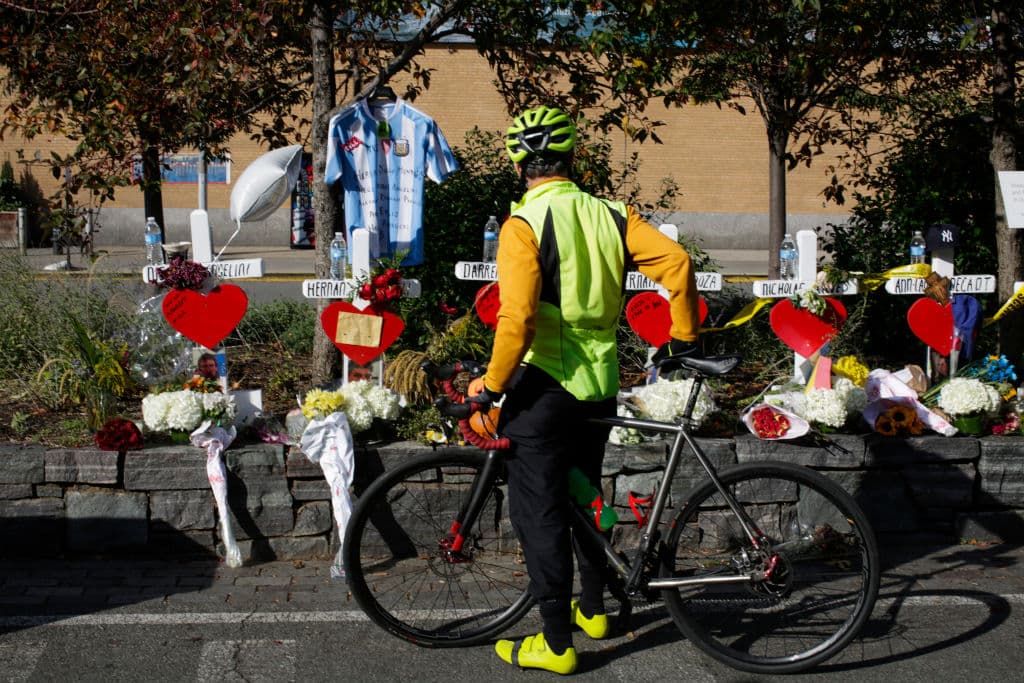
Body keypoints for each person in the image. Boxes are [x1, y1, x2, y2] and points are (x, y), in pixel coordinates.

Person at [468, 105, 701, 675]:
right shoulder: (611, 213)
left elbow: (517, 318)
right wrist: (682, 335)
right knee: (585, 494)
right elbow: (677, 262)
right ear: (573, 155)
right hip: (600, 382)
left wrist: (490, 386)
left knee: (539, 509)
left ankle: (555, 643)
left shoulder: (523, 223)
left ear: (517, 160)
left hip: (547, 383)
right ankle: (593, 610)